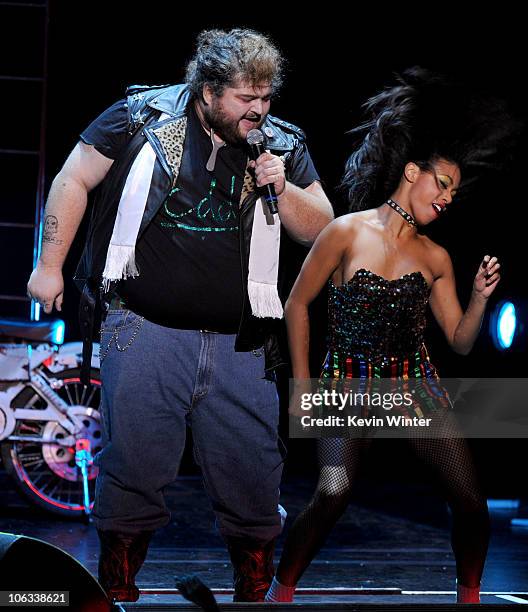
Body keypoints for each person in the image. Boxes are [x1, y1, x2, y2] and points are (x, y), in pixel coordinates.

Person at [26, 28, 333, 603]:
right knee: (134, 466)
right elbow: (73, 178)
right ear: (208, 90)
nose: (259, 111)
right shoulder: (140, 117)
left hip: (242, 342)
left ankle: (252, 584)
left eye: (266, 99)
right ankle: (116, 587)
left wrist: (282, 187)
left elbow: (324, 228)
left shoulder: (281, 145)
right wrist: (50, 265)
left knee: (253, 470)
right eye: (247, 99)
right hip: (144, 328)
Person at [265, 68, 515, 605]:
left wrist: (478, 297)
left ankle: (469, 594)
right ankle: (280, 589)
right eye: (441, 183)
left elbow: (461, 340)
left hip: (414, 387)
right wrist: (306, 389)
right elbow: (297, 305)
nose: (448, 198)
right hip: (347, 385)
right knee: (333, 492)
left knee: (471, 501)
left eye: (455, 191)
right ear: (411, 172)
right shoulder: (346, 231)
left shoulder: (437, 258)